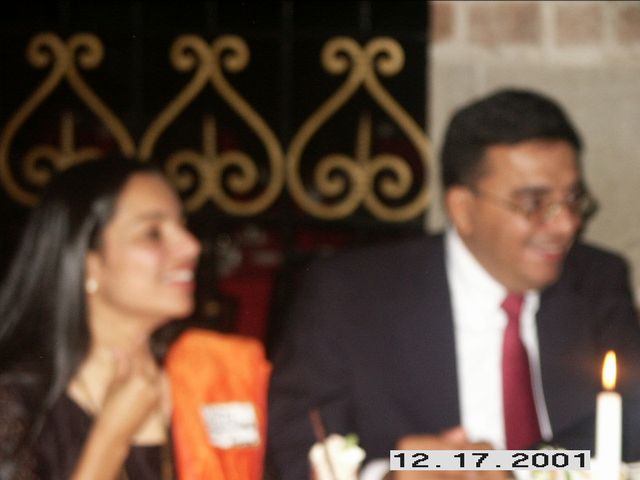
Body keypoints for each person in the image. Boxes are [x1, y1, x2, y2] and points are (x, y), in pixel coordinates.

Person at [266, 89, 640, 479]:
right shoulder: (350, 294)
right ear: (462, 208)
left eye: (573, 200)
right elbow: (293, 448)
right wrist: (389, 475)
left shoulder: (597, 280)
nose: (566, 225)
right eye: (534, 203)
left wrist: (508, 469)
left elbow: (631, 426)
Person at [0, 159, 270, 480]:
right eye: (152, 233)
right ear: (88, 264)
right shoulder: (16, 405)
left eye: (182, 226)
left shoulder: (203, 378)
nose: (191, 246)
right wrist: (111, 437)